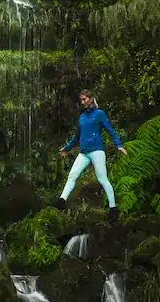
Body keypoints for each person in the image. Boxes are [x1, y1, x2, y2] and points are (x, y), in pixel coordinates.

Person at [54, 90, 127, 220]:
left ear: (91, 99)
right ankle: (61, 201)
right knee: (72, 175)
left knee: (102, 179)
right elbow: (77, 137)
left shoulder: (99, 114)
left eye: (84, 99)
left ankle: (113, 208)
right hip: (84, 152)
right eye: (81, 100)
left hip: (97, 151)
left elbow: (110, 130)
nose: (82, 102)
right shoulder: (82, 117)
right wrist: (66, 148)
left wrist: (119, 145)